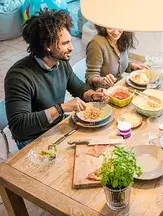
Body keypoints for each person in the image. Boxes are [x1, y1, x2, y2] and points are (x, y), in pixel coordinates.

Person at [4, 9, 110, 150]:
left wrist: (93, 95)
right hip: (32, 139)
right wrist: (61, 109)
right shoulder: (19, 77)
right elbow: (19, 126)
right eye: (65, 43)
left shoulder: (60, 62)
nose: (71, 48)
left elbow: (77, 86)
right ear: (48, 46)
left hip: (56, 126)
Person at [85, 24, 148, 89]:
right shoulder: (96, 44)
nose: (116, 32)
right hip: (102, 91)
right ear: (103, 26)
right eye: (110, 27)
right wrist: (102, 80)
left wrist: (132, 66)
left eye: (119, 26)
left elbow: (118, 64)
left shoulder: (123, 38)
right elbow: (90, 76)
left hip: (118, 86)